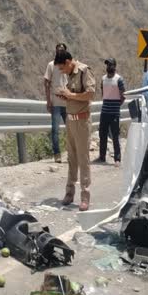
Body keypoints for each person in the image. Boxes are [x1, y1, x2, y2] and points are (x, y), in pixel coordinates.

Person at [54, 51, 96, 211]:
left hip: (82, 121)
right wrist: (66, 96)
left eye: (62, 68)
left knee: (83, 159)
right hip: (70, 121)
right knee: (71, 158)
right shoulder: (70, 75)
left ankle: (85, 197)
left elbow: (90, 94)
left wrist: (70, 95)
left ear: (68, 62)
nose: (62, 71)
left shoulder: (84, 71)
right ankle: (69, 193)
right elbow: (74, 95)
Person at [95, 58, 125, 165]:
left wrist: (116, 105)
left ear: (115, 66)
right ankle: (102, 157)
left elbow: (123, 96)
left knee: (115, 136)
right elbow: (103, 93)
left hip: (114, 112)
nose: (109, 67)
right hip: (104, 111)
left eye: (111, 65)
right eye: (107, 65)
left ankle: (117, 159)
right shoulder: (103, 79)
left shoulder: (119, 79)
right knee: (102, 134)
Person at [43, 43, 68, 163]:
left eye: (62, 50)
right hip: (56, 103)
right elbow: (46, 83)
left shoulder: (68, 65)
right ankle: (57, 154)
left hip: (68, 103)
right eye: (58, 50)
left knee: (72, 130)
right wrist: (48, 101)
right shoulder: (51, 65)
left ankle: (71, 153)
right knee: (55, 130)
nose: (60, 51)